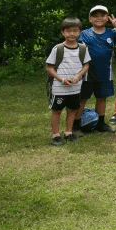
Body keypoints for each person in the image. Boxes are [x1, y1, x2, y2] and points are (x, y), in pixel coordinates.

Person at [74, 5, 116, 135]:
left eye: (102, 15)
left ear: (107, 18)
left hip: (105, 73)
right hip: (86, 74)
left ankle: (101, 124)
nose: (99, 18)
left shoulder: (112, 32)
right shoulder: (83, 34)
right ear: (90, 19)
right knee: (83, 99)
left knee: (102, 98)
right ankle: (75, 126)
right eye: (95, 15)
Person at [46, 17, 90, 145]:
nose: (72, 34)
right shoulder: (58, 49)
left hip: (75, 87)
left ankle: (68, 133)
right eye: (68, 31)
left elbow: (86, 65)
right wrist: (61, 79)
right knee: (57, 110)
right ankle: (55, 135)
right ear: (63, 33)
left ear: (79, 32)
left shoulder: (82, 48)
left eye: (75, 31)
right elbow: (49, 67)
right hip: (59, 88)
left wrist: (78, 77)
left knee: (72, 110)